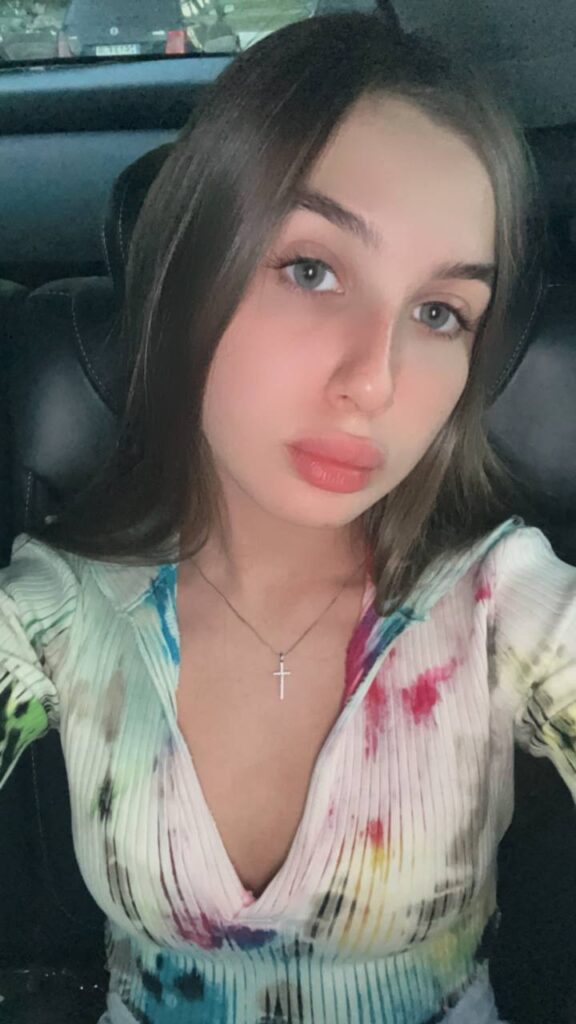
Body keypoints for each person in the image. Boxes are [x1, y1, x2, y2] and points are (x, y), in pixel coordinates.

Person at [0, 9, 573, 1024]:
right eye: (312, 270)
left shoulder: (501, 608)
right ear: (187, 273)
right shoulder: (58, 609)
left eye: (440, 312)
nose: (375, 381)